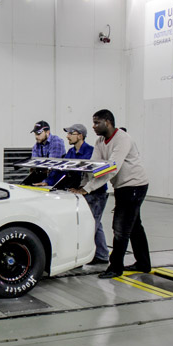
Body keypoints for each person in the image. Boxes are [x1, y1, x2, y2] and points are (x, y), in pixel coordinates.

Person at [71, 109, 151, 279]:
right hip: (122, 187)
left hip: (134, 186)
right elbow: (94, 166)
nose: (93, 126)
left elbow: (110, 169)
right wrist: (82, 184)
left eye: (96, 122)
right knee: (135, 226)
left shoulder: (123, 139)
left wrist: (88, 188)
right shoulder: (100, 140)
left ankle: (115, 267)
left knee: (120, 228)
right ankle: (144, 263)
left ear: (107, 122)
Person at [37, 124, 109, 265]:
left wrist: (86, 189)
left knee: (89, 226)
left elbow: (99, 175)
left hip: (95, 194)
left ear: (80, 135)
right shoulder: (71, 153)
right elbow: (61, 169)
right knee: (95, 223)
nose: (67, 136)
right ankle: (102, 255)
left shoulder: (91, 152)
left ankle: (81, 258)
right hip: (81, 193)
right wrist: (47, 182)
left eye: (71, 133)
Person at [30, 120, 66, 185]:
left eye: (38, 134)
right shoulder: (37, 145)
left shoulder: (56, 142)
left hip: (58, 180)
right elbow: (34, 165)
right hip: (44, 178)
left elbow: (53, 166)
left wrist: (46, 182)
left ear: (47, 132)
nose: (36, 137)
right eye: (35, 134)